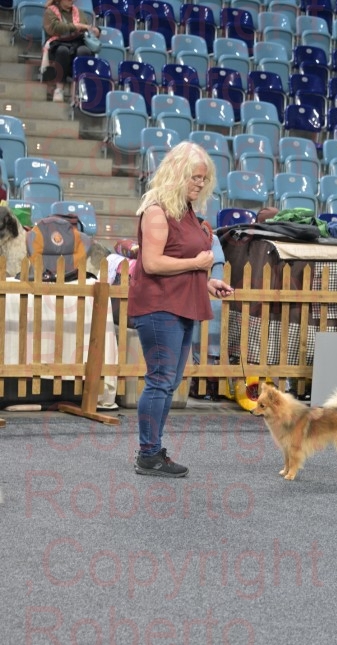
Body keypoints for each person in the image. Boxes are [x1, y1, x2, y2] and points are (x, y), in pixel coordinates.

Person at [127, 142, 234, 478]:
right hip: (159, 307)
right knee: (160, 380)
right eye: (195, 177)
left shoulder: (185, 210)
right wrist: (197, 264)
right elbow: (152, 263)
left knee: (169, 381)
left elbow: (182, 259)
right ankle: (148, 454)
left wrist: (207, 281)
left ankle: (153, 450)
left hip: (182, 303)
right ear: (177, 174)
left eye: (204, 178)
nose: (200, 184)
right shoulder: (156, 210)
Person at [42, 0, 100, 103]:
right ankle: (59, 88)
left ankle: (78, 89)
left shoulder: (78, 12)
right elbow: (55, 28)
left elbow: (86, 28)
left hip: (76, 42)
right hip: (58, 42)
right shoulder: (50, 11)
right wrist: (77, 26)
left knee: (84, 51)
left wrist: (95, 31)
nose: (72, 0)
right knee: (62, 51)